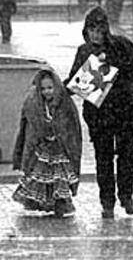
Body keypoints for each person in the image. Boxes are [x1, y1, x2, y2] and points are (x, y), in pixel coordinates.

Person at [65, 6, 133, 218]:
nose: (96, 35)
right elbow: (75, 80)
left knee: (126, 155)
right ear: (86, 31)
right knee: (103, 158)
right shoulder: (84, 51)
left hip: (125, 111)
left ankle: (127, 196)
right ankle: (107, 202)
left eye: (99, 30)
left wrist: (111, 63)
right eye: (92, 30)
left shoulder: (121, 45)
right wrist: (59, 89)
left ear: (106, 30)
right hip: (99, 115)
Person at [12, 69, 82, 218]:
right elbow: (28, 128)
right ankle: (43, 202)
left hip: (60, 148)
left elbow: (71, 125)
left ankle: (59, 204)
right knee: (40, 176)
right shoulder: (33, 103)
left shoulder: (64, 103)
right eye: (43, 89)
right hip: (42, 147)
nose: (46, 92)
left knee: (60, 178)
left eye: (50, 88)